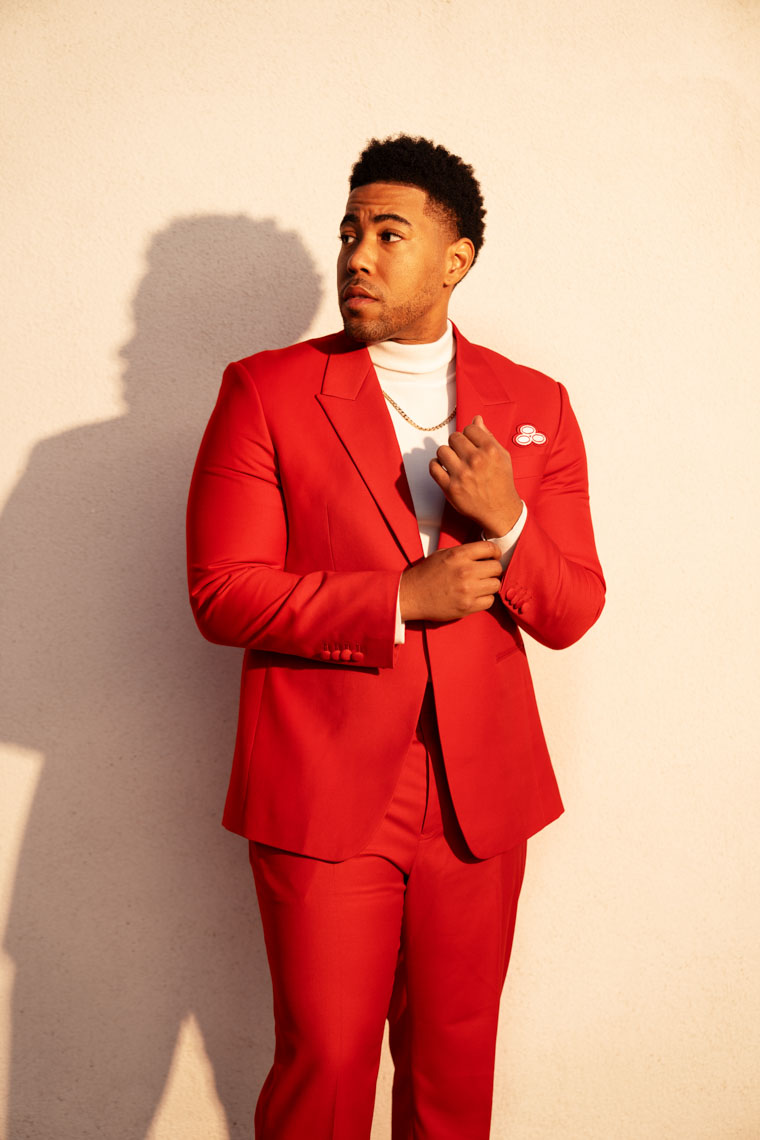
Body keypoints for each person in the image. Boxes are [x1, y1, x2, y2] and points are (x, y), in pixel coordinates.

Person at [186, 134, 605, 1139]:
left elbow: (573, 607)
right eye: (348, 231)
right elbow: (220, 592)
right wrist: (397, 598)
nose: (357, 256)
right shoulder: (266, 391)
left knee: (453, 1071)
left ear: (455, 260)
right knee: (325, 1069)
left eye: (389, 233)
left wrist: (506, 518)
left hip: (477, 794)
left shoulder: (535, 405)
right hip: (325, 781)